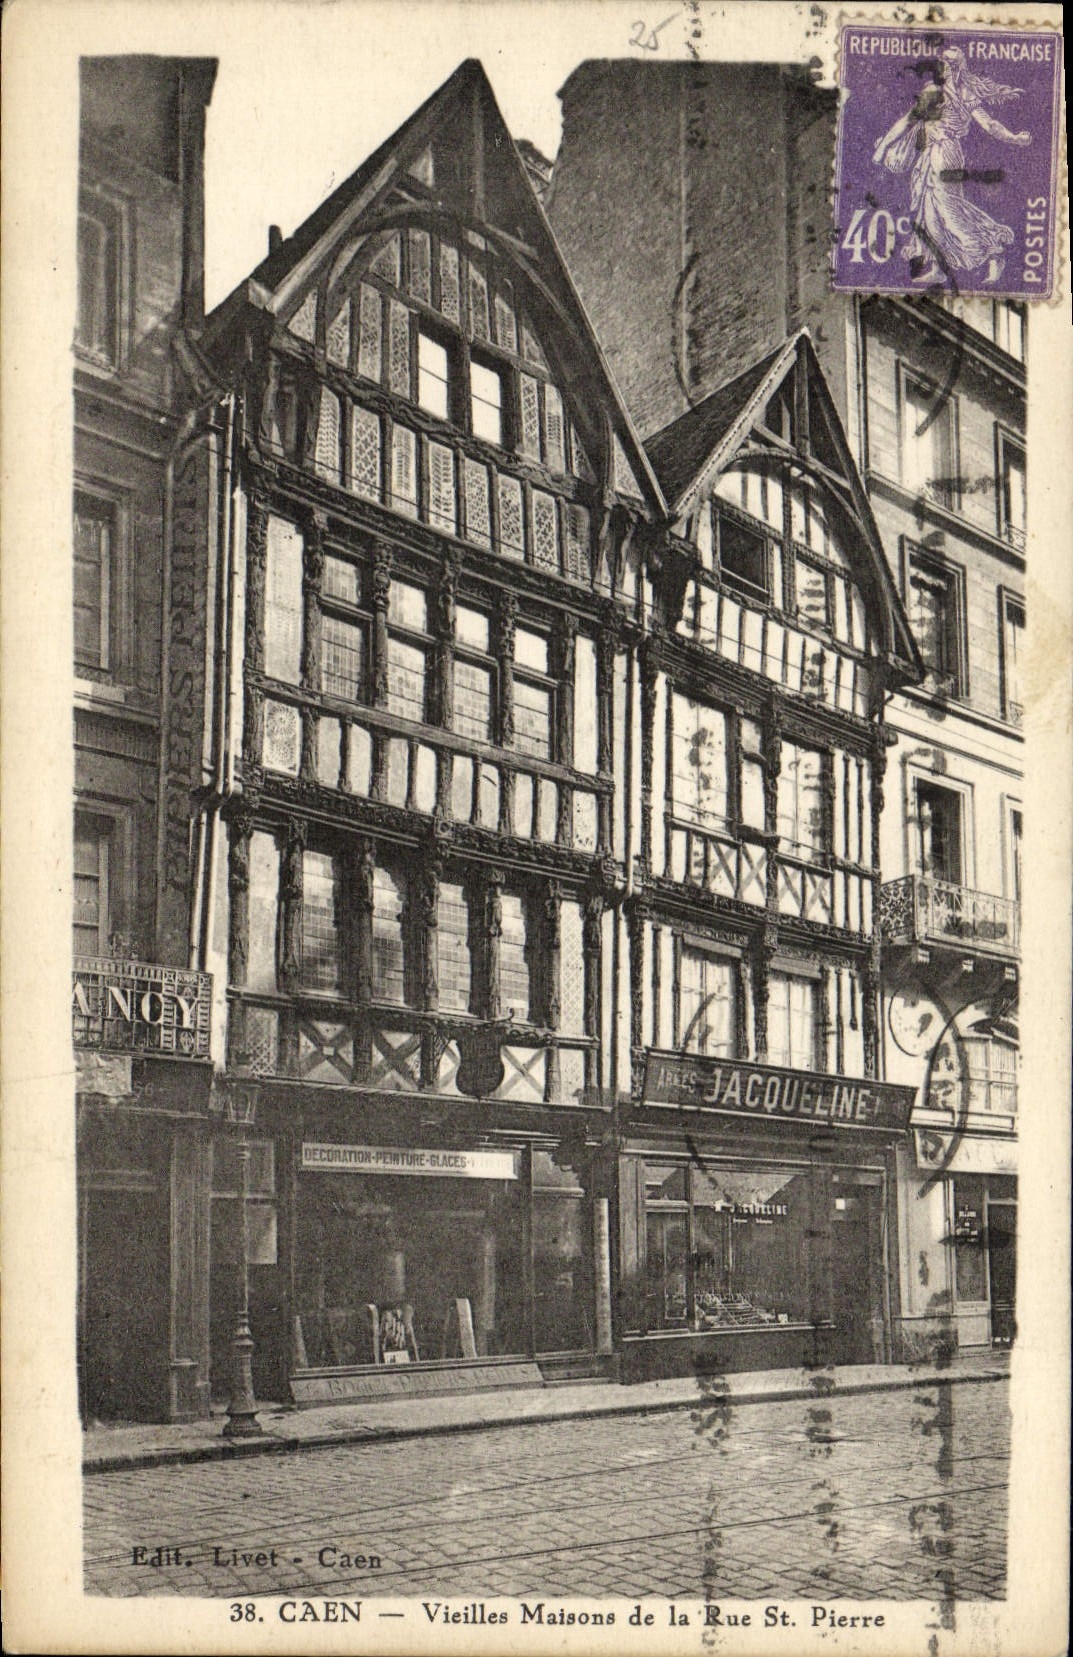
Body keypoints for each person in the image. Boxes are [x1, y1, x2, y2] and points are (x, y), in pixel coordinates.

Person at [873, 46, 1030, 285]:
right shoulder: (933, 91)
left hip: (946, 153)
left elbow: (989, 124)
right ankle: (938, 265)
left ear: (957, 67)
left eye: (949, 63)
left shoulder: (964, 93)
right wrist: (884, 146)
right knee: (929, 211)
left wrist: (1014, 138)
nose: (944, 66)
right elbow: (908, 121)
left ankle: (993, 252)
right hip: (929, 154)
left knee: (948, 208)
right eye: (943, 61)